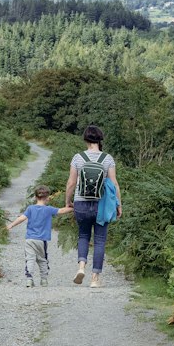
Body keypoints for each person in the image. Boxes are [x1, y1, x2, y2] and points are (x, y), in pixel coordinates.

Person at [64, 124, 122, 289]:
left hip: (81, 202)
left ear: (85, 139)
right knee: (100, 241)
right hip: (101, 204)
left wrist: (68, 201)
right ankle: (95, 279)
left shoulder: (78, 157)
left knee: (83, 236)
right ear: (100, 139)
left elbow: (71, 182)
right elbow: (114, 184)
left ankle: (81, 267)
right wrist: (118, 204)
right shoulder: (107, 158)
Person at [6, 185, 72, 287]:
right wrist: (74, 208)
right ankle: (44, 280)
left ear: (36, 197)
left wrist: (11, 225)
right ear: (48, 197)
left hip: (30, 239)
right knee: (42, 259)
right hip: (42, 241)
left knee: (30, 259)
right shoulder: (48, 209)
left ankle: (29, 279)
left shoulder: (30, 208)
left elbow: (22, 218)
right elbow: (61, 211)